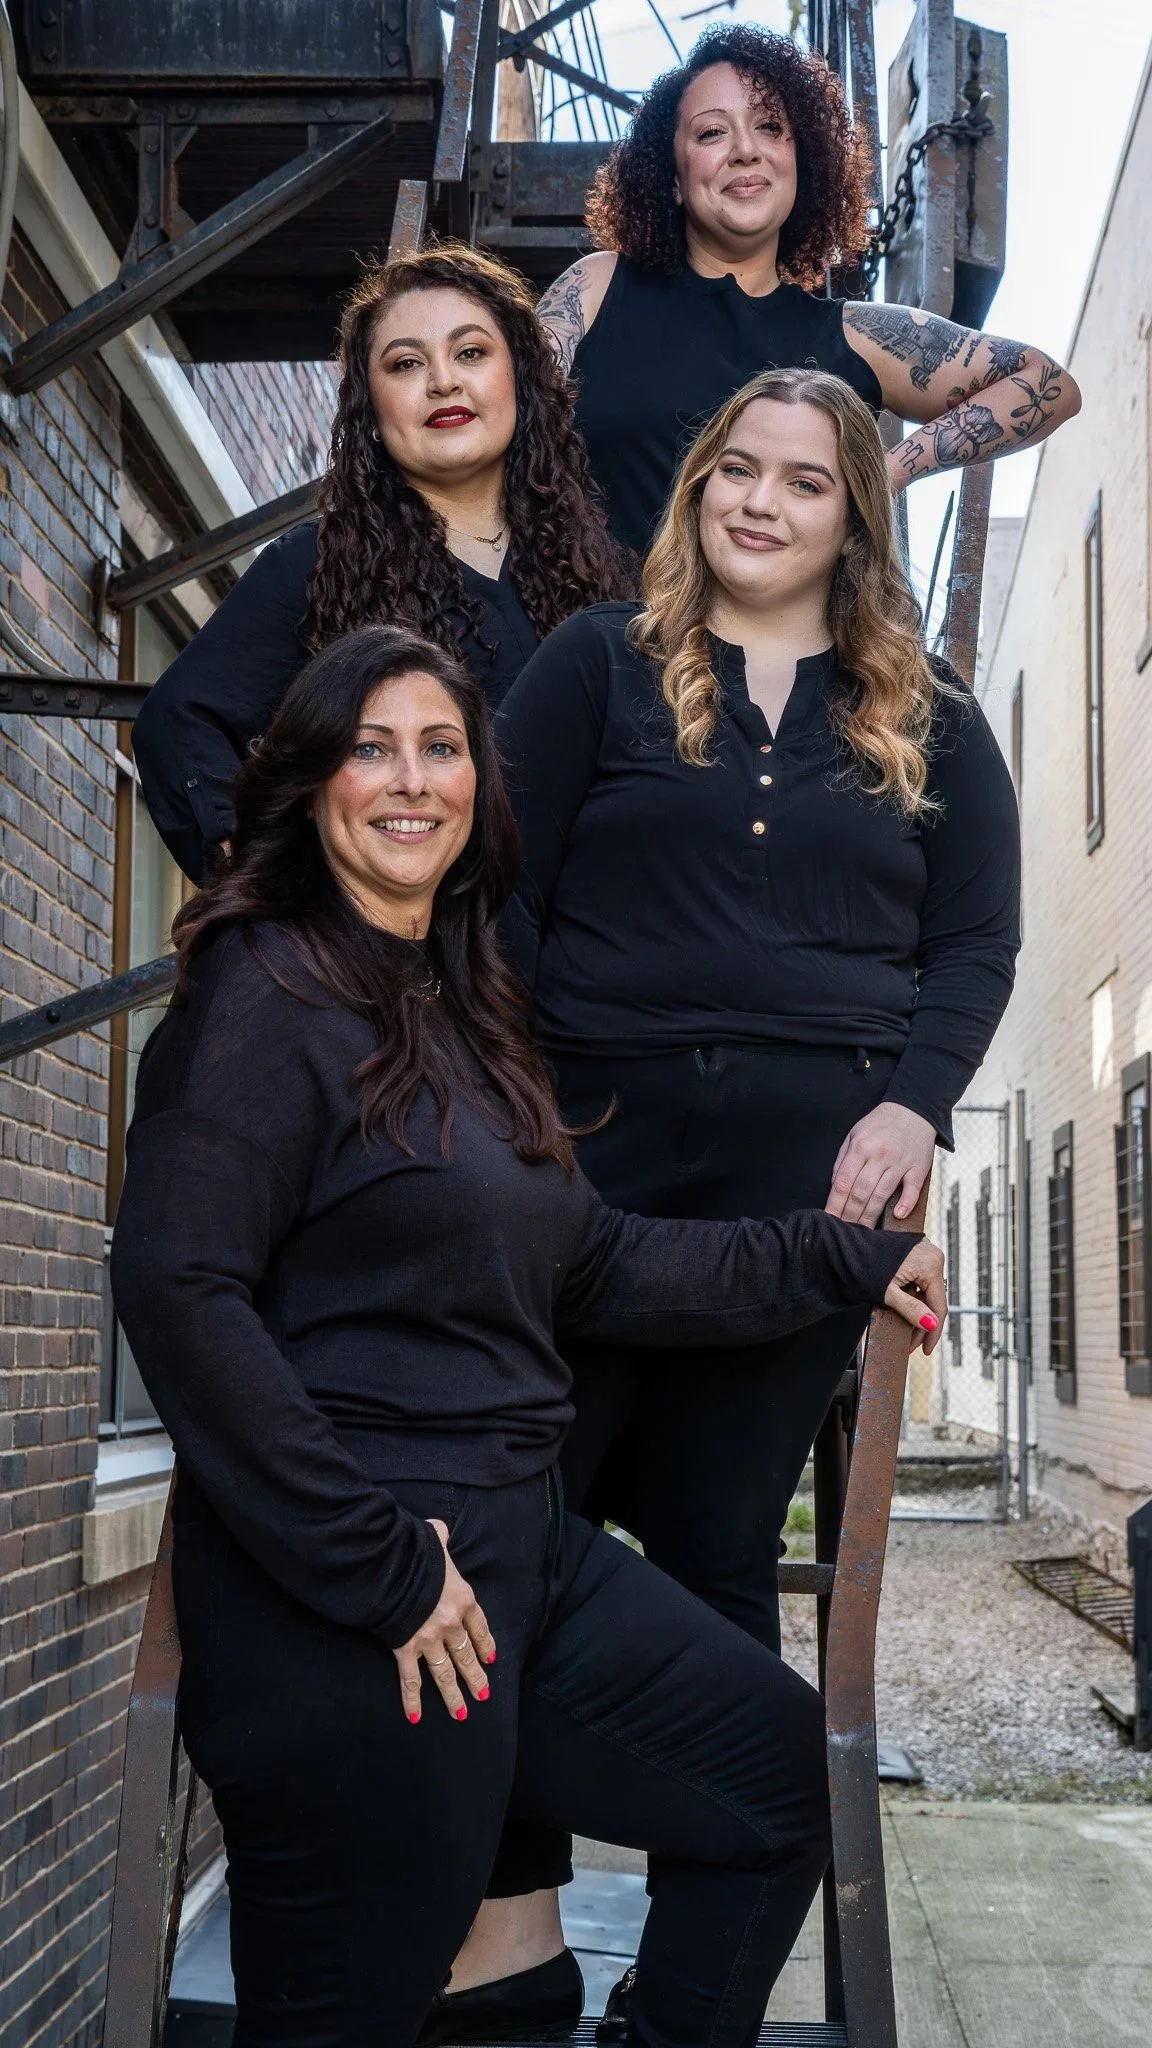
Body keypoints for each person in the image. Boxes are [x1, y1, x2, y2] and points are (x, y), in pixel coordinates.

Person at [109, 623, 945, 2048]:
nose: (411, 780)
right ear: (312, 782)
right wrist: (377, 1573)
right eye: (371, 747)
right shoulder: (267, 992)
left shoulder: (462, 1011)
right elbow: (180, 1290)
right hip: (353, 1598)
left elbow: (599, 1260)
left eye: (442, 747)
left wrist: (839, 1258)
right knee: (350, 2012)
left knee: (774, 1788)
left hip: (513, 1562)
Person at [480, 366, 1020, 2038]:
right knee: (514, 1540)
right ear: (699, 483)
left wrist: (911, 1100)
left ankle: (691, 1993)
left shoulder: (923, 708)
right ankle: (503, 1965)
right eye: (734, 466)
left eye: (802, 478)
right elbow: (492, 901)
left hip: (798, 1210)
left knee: (718, 1544)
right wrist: (498, 1125)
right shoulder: (593, 666)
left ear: (854, 513)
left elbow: (972, 943)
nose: (760, 500)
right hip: (584, 1178)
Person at [131, 243, 632, 882]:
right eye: (405, 364)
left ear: (522, 380)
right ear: (371, 408)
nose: (443, 381)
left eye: (471, 352)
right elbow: (178, 726)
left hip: (575, 954)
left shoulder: (601, 571)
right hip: (408, 958)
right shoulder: (318, 564)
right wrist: (269, 898)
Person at [536, 22, 1080, 554]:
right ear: (673, 178)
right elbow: (509, 404)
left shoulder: (853, 335)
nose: (746, 149)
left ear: (804, 161)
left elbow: (1045, 381)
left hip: (772, 644)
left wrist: (886, 474)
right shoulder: (599, 285)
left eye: (771, 127)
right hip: (595, 633)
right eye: (711, 132)